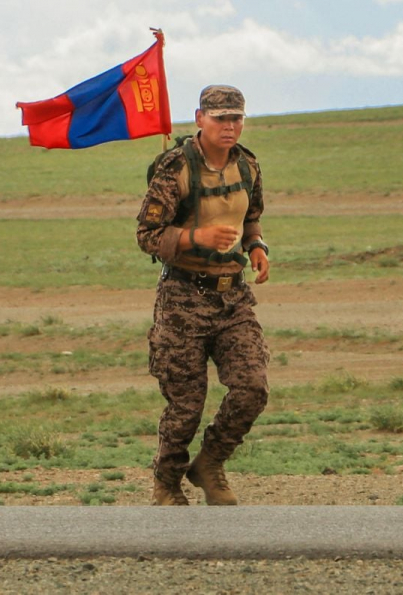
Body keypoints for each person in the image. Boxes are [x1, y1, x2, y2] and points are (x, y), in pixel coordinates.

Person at [136, 84, 271, 506]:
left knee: (252, 388)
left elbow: (251, 216)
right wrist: (198, 237)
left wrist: (257, 247)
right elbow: (147, 235)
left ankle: (210, 463)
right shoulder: (175, 168)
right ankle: (167, 483)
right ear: (199, 119)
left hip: (233, 299)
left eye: (236, 118)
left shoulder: (247, 165)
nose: (230, 126)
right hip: (182, 299)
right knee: (186, 406)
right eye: (220, 119)